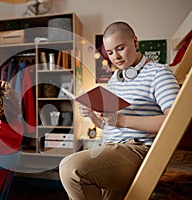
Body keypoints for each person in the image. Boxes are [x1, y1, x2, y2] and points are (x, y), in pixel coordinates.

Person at [59, 21, 180, 200]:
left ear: (135, 42)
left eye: (120, 48)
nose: (115, 56)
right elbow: (108, 125)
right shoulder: (116, 79)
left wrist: (123, 120)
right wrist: (92, 115)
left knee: (70, 168)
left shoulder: (159, 73)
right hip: (111, 148)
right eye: (110, 52)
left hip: (138, 149)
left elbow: (174, 122)